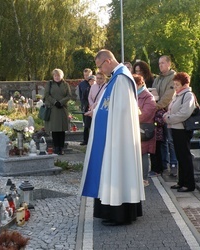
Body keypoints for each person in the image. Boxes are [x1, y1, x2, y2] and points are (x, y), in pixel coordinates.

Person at [80, 49, 145, 226]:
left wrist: (102, 115)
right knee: (113, 170)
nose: (100, 71)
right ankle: (113, 211)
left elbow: (121, 111)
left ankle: (120, 214)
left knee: (117, 170)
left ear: (108, 61)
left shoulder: (122, 79)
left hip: (118, 137)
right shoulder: (117, 78)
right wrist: (97, 111)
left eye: (100, 67)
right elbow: (109, 105)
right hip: (113, 133)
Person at [163, 72, 196, 192]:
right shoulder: (177, 95)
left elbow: (184, 113)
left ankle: (189, 183)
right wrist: (167, 115)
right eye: (175, 85)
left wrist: (169, 118)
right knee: (180, 157)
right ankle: (181, 181)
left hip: (182, 129)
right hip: (175, 128)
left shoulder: (188, 95)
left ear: (184, 84)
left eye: (177, 85)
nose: (175, 87)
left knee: (185, 156)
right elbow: (171, 109)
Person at [150, 55, 177, 177]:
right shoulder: (158, 78)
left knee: (170, 140)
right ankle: (164, 165)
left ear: (169, 64)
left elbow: (168, 96)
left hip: (169, 112)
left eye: (163, 63)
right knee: (161, 141)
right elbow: (152, 92)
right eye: (159, 63)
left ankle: (174, 166)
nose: (160, 65)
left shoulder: (173, 78)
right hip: (158, 114)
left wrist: (156, 106)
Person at [134, 74, 156, 187]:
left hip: (144, 129)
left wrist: (131, 118)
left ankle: (144, 178)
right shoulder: (133, 95)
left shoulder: (148, 97)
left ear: (140, 84)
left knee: (143, 154)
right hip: (134, 127)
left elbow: (146, 114)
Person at [43, 68, 71, 155]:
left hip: (62, 109)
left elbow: (69, 95)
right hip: (53, 108)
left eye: (58, 75)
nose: (57, 77)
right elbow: (47, 95)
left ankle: (61, 147)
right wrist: (55, 102)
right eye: (55, 75)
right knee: (55, 129)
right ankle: (56, 147)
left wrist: (61, 102)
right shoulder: (50, 84)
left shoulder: (65, 84)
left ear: (61, 76)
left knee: (62, 130)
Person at [78, 68, 93, 146]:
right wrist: (86, 105)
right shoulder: (81, 84)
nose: (86, 77)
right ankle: (85, 140)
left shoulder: (95, 82)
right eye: (85, 75)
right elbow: (81, 97)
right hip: (86, 106)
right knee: (86, 124)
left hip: (94, 106)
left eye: (88, 75)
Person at [80, 75, 96, 145]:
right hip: (88, 109)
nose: (91, 82)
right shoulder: (87, 89)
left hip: (95, 108)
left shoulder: (98, 89)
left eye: (93, 80)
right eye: (90, 81)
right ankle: (85, 140)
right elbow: (83, 99)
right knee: (87, 125)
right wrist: (87, 104)